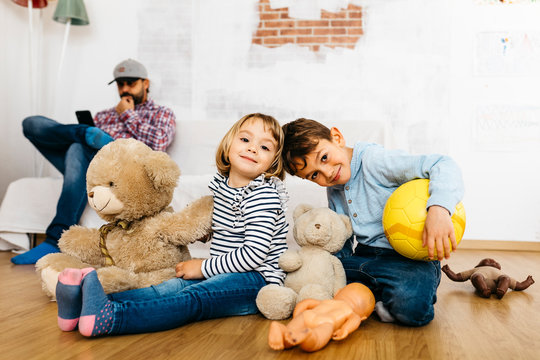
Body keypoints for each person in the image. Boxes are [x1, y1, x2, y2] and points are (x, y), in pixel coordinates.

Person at [55, 113, 289, 337]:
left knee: (194, 298)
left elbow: (255, 254)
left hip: (255, 280)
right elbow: (230, 229)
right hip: (225, 271)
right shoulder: (224, 189)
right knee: (170, 287)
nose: (252, 148)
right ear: (228, 145)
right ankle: (85, 306)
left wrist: (203, 267)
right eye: (245, 139)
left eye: (265, 147)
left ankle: (114, 317)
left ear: (272, 163)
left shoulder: (262, 195)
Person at [281, 118, 464, 327]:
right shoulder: (333, 186)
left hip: (406, 259)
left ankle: (378, 298)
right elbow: (343, 237)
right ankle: (370, 295)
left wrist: (439, 208)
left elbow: (443, 164)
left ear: (337, 138)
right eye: (314, 175)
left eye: (324, 157)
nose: (328, 173)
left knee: (413, 307)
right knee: (320, 281)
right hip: (364, 256)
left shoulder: (374, 160)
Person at [12, 59, 176, 265]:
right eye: (120, 84)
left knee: (78, 147)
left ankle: (54, 239)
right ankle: (84, 133)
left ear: (146, 83)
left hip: (123, 174)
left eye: (131, 83)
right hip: (88, 167)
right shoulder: (104, 115)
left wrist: (127, 114)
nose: (124, 89)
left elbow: (157, 145)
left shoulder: (161, 113)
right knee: (32, 124)